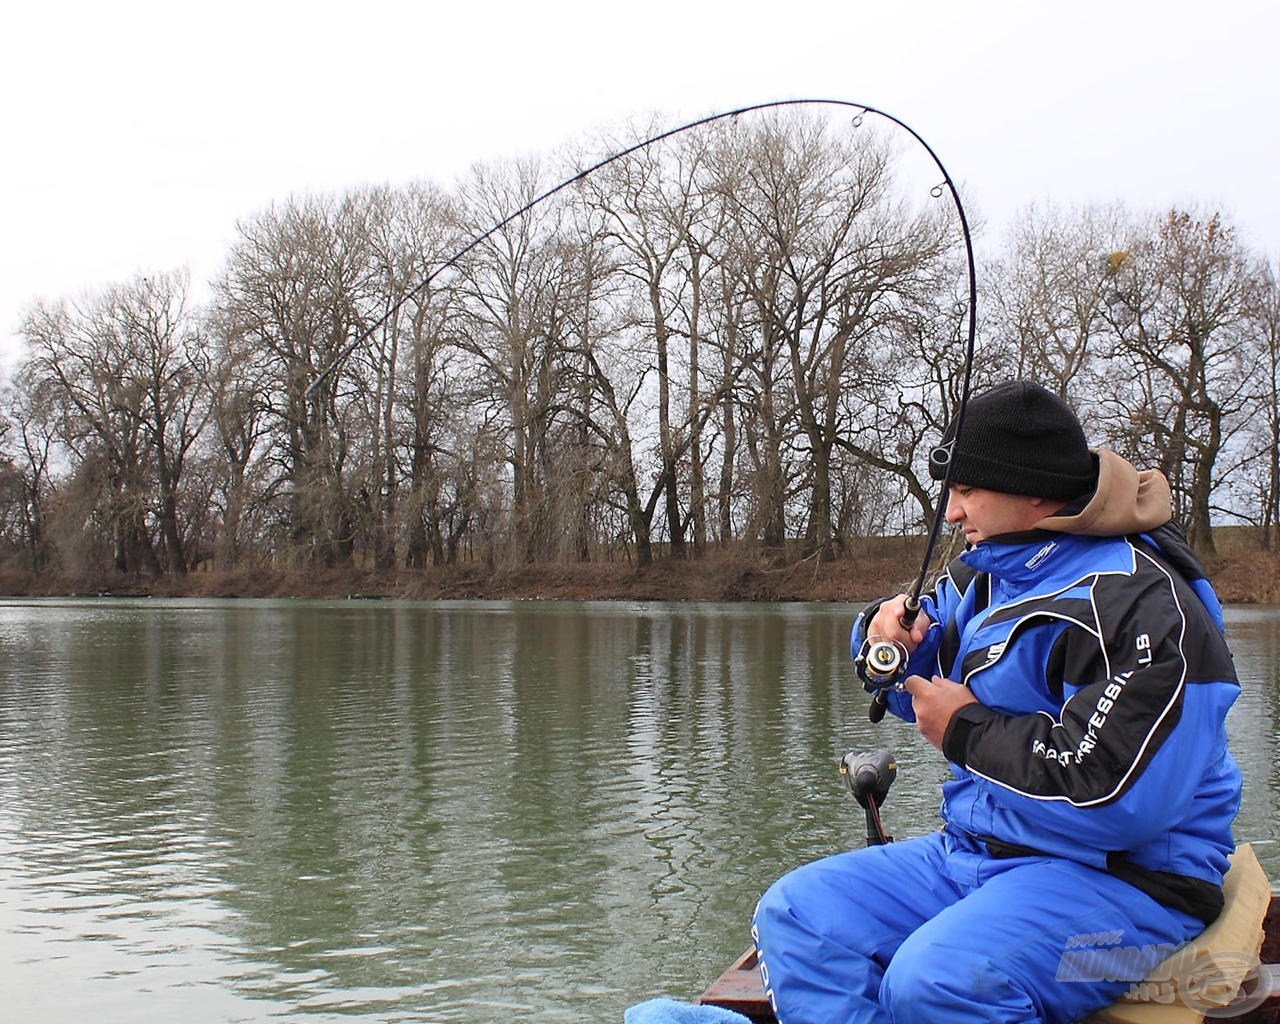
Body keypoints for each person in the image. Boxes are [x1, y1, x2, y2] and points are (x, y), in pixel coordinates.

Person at [750, 380, 1242, 1024]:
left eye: (964, 490)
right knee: (798, 916)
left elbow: (1118, 800)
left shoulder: (1142, 604)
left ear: (1031, 488)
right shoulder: (988, 571)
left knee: (937, 982)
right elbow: (914, 680)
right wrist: (890, 645)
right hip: (978, 855)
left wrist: (965, 731)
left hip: (1132, 891)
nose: (950, 514)